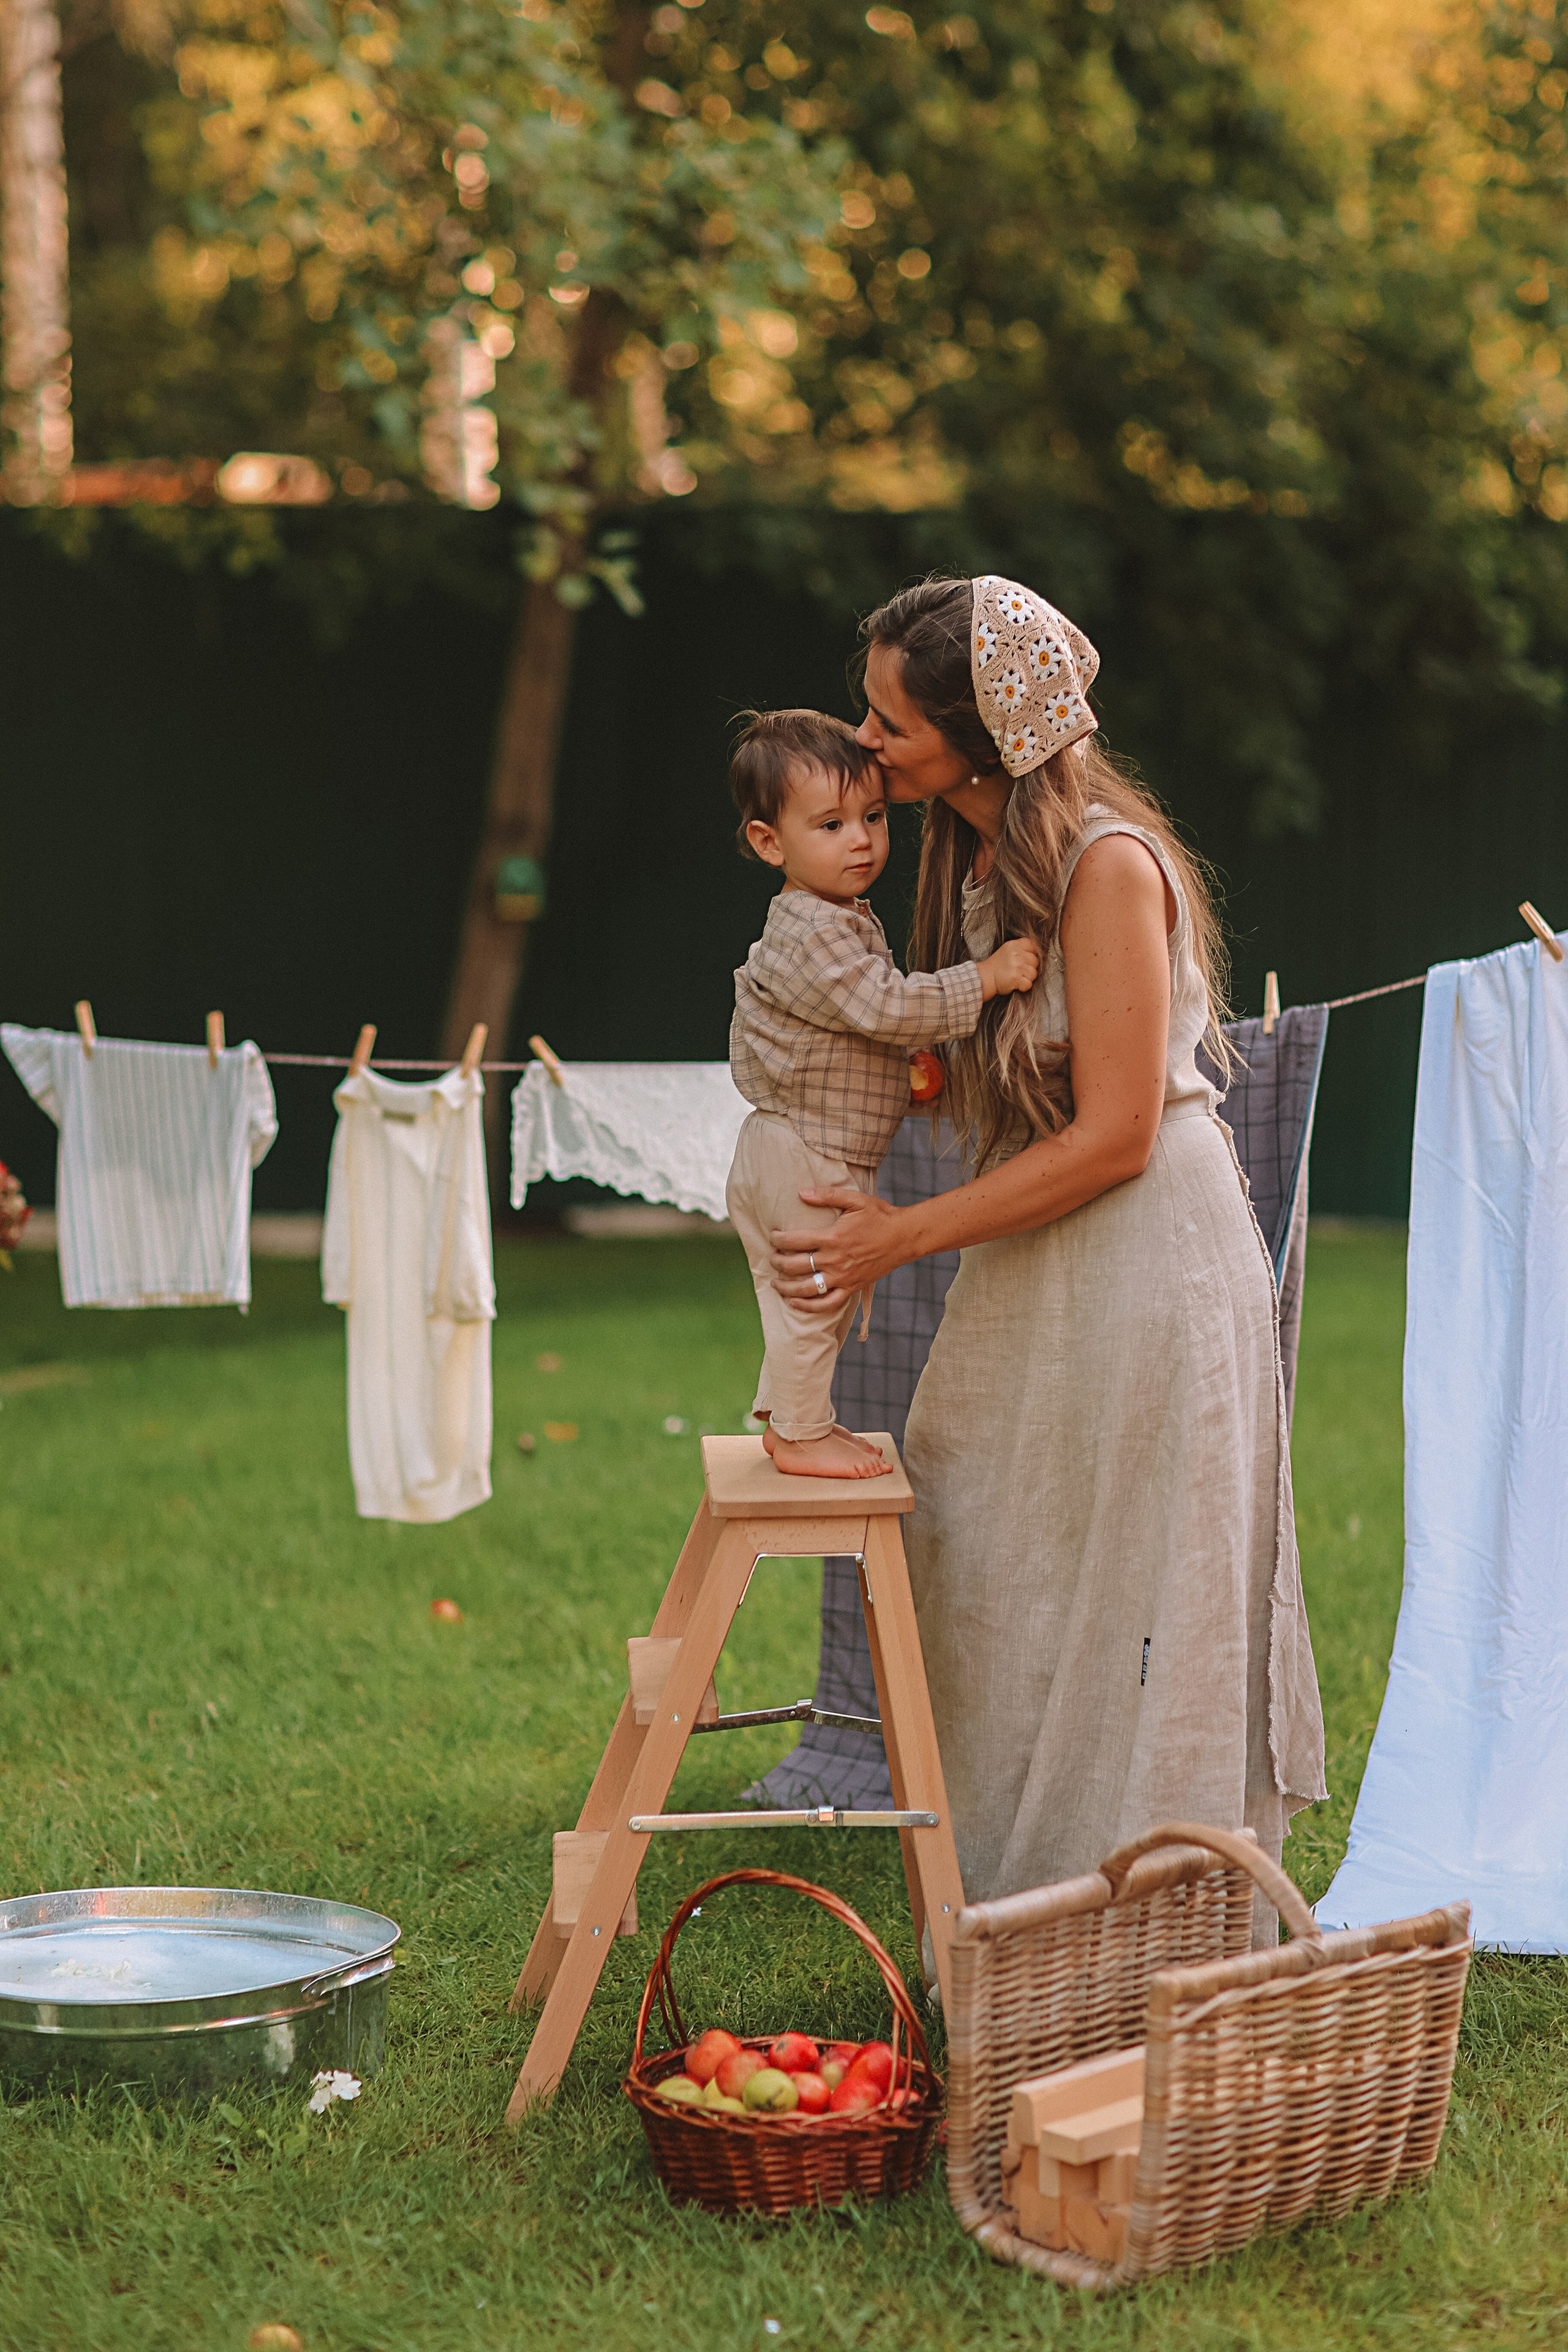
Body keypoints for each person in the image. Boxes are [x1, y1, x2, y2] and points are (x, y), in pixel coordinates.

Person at [765, 581, 1326, 1939]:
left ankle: (1152, 1944)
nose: (864, 739)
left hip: (1149, 1264)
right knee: (983, 1548)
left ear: (977, 736)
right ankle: (1020, 1929)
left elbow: (1119, 1133)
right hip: (1050, 1256)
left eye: (887, 718)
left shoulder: (1105, 865)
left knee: (1147, 1594)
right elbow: (1024, 1090)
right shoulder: (975, 874)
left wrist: (898, 1235)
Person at [726, 708, 1039, 1480]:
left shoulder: (833, 918)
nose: (861, 839)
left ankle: (787, 1422)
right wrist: (988, 976)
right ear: (771, 842)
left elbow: (852, 1032)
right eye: (830, 825)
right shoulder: (814, 930)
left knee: (808, 1300)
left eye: (871, 816)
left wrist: (908, 1075)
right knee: (816, 1297)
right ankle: (802, 1433)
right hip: (807, 1154)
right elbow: (887, 1007)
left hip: (806, 1146)